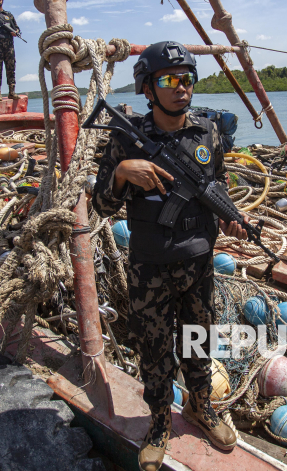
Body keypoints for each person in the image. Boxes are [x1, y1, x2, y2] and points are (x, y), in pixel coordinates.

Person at [91, 41, 247, 471]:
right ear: (148, 87)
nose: (181, 88)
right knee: (155, 351)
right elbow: (101, 205)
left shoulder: (208, 132)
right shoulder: (126, 138)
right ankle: (159, 424)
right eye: (169, 80)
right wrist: (122, 172)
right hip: (150, 267)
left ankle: (200, 406)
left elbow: (217, 184)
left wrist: (232, 217)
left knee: (198, 340)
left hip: (198, 263)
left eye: (187, 79)